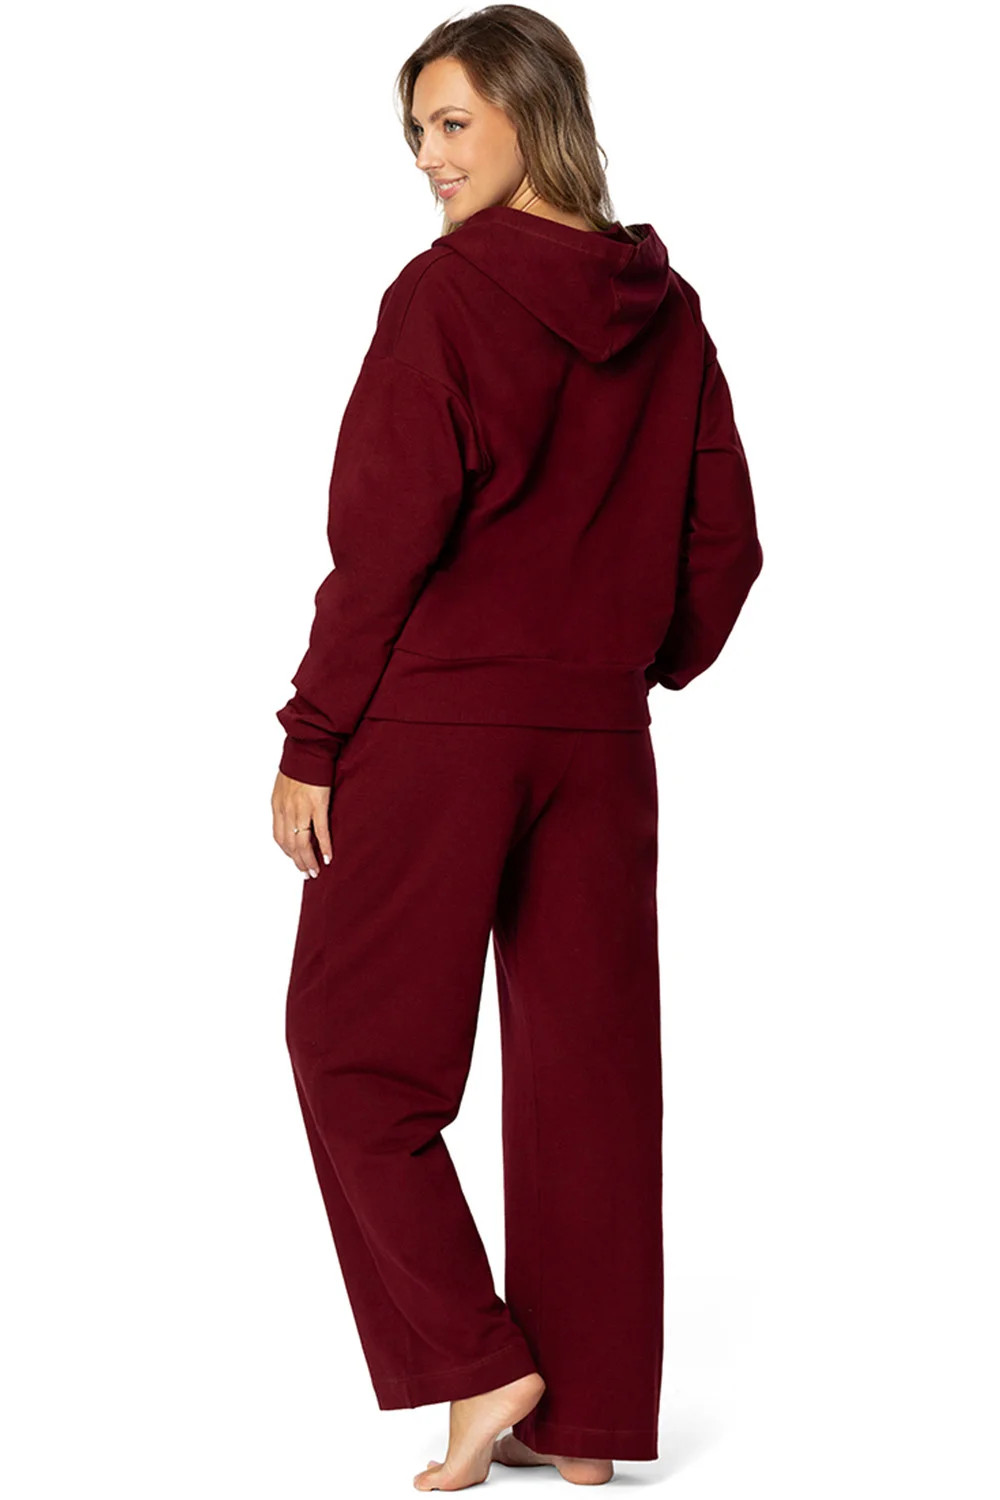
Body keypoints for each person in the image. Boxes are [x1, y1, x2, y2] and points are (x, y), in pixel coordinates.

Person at [271, 5, 763, 1491]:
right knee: (591, 1076)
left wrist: (313, 734)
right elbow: (726, 547)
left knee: (353, 1053)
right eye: (417, 131)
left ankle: (485, 1367)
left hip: (436, 726)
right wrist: (616, 668)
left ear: (534, 114)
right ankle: (590, 1424)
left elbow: (383, 542)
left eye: (453, 122)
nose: (428, 157)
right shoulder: (668, 311)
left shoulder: (445, 296)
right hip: (598, 740)